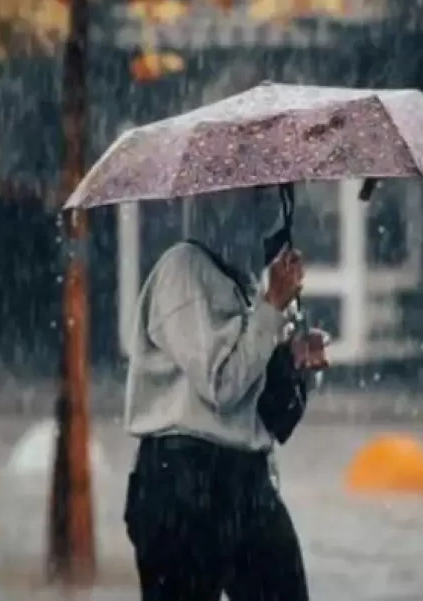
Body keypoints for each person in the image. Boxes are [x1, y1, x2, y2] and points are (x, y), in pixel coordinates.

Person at [122, 189, 327, 601]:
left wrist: (297, 365)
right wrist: (270, 308)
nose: (263, 214)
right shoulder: (182, 271)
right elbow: (222, 386)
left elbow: (269, 414)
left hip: (248, 480)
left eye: (270, 200)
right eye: (253, 200)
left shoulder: (246, 283)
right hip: (183, 480)